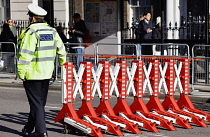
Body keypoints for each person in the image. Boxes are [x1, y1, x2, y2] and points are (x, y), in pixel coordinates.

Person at [17, 4, 66, 137]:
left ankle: (41, 132)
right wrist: (64, 64)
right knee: (39, 103)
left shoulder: (31, 32)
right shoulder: (52, 31)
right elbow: (61, 50)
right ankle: (29, 128)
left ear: (32, 19)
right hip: (47, 73)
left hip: (32, 73)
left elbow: (25, 54)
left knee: (37, 103)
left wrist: (21, 72)